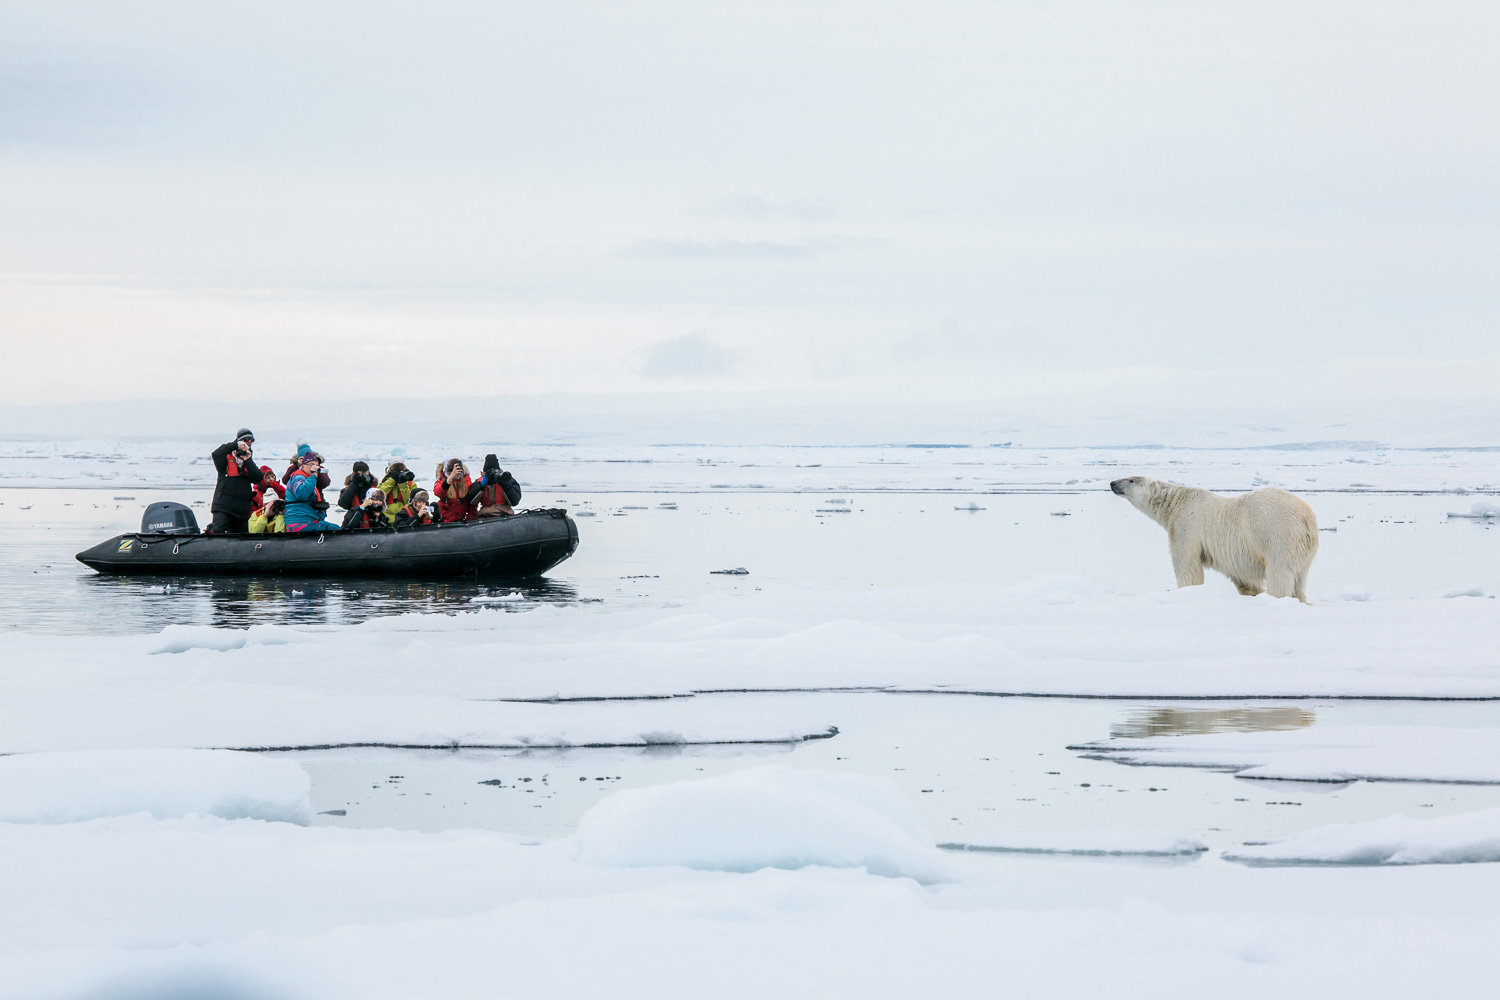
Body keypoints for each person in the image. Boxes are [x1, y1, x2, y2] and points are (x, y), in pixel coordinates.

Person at [209, 428, 263, 533]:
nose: (250, 441)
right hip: (223, 507)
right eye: (247, 439)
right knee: (218, 531)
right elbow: (216, 454)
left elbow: (257, 478)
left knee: (241, 537)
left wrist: (248, 460)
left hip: (242, 510)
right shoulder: (224, 459)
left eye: (252, 439)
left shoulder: (248, 460)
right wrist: (235, 445)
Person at [283, 453, 342, 533]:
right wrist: (313, 476)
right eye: (311, 465)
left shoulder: (306, 478)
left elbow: (325, 482)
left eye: (317, 465)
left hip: (307, 520)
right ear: (303, 466)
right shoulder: (298, 477)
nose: (315, 467)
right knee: (336, 528)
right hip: (300, 522)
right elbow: (301, 494)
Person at [466, 453, 522, 517]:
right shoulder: (479, 482)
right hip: (485, 515)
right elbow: (470, 500)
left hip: (504, 514)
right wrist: (481, 485)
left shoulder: (507, 479)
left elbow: (515, 502)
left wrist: (506, 485)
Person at [433, 458, 475, 523]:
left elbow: (472, 502)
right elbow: (438, 492)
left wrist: (470, 519)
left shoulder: (466, 481)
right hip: (445, 520)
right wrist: (450, 479)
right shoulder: (441, 482)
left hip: (462, 519)